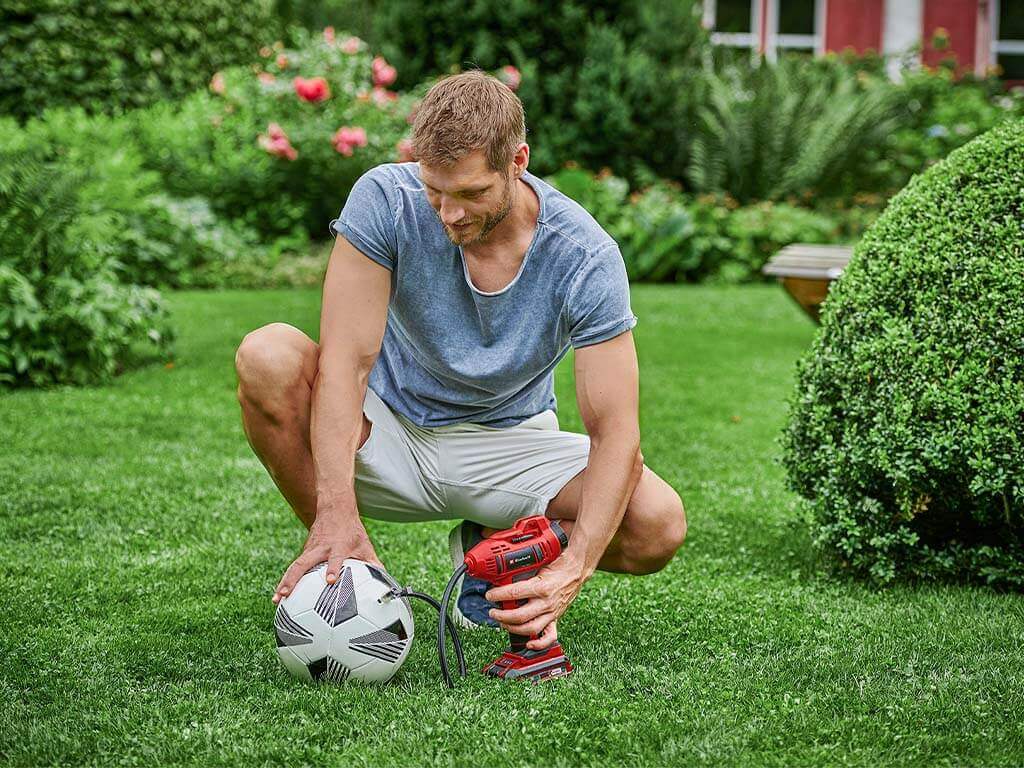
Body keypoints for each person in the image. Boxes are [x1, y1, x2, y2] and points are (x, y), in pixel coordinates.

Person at [235, 70, 686, 651]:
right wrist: (335, 512)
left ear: (517, 161)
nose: (449, 213)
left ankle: (492, 548)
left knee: (657, 524)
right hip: (388, 431)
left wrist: (571, 568)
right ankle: (348, 564)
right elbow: (345, 364)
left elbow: (616, 432)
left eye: (471, 193)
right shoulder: (384, 200)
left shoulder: (584, 255)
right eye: (435, 190)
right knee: (267, 353)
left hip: (511, 444)